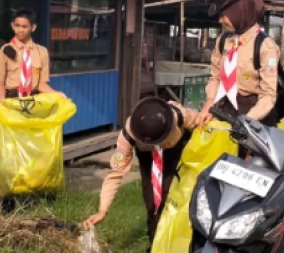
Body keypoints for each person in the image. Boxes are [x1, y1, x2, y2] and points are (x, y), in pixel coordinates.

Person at [83, 97, 199, 245]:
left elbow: (202, 126)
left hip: (177, 156)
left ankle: (184, 247)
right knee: (153, 205)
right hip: (149, 161)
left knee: (178, 201)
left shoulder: (180, 115)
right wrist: (102, 210)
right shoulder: (128, 135)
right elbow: (116, 173)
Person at [196, 0, 282, 127]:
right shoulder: (223, 41)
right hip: (225, 109)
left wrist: (246, 123)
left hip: (255, 116)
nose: (220, 20)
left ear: (238, 11)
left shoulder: (264, 46)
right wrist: (209, 104)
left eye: (223, 15)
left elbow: (268, 96)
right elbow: (215, 77)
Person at [0, 9, 62, 101]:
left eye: (24, 26)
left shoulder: (42, 52)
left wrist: (57, 94)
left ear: (33, 27)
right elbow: (0, 83)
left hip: (34, 101)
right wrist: (1, 101)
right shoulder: (4, 52)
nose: (20, 30)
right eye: (17, 26)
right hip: (12, 100)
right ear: (12, 26)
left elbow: (42, 85)